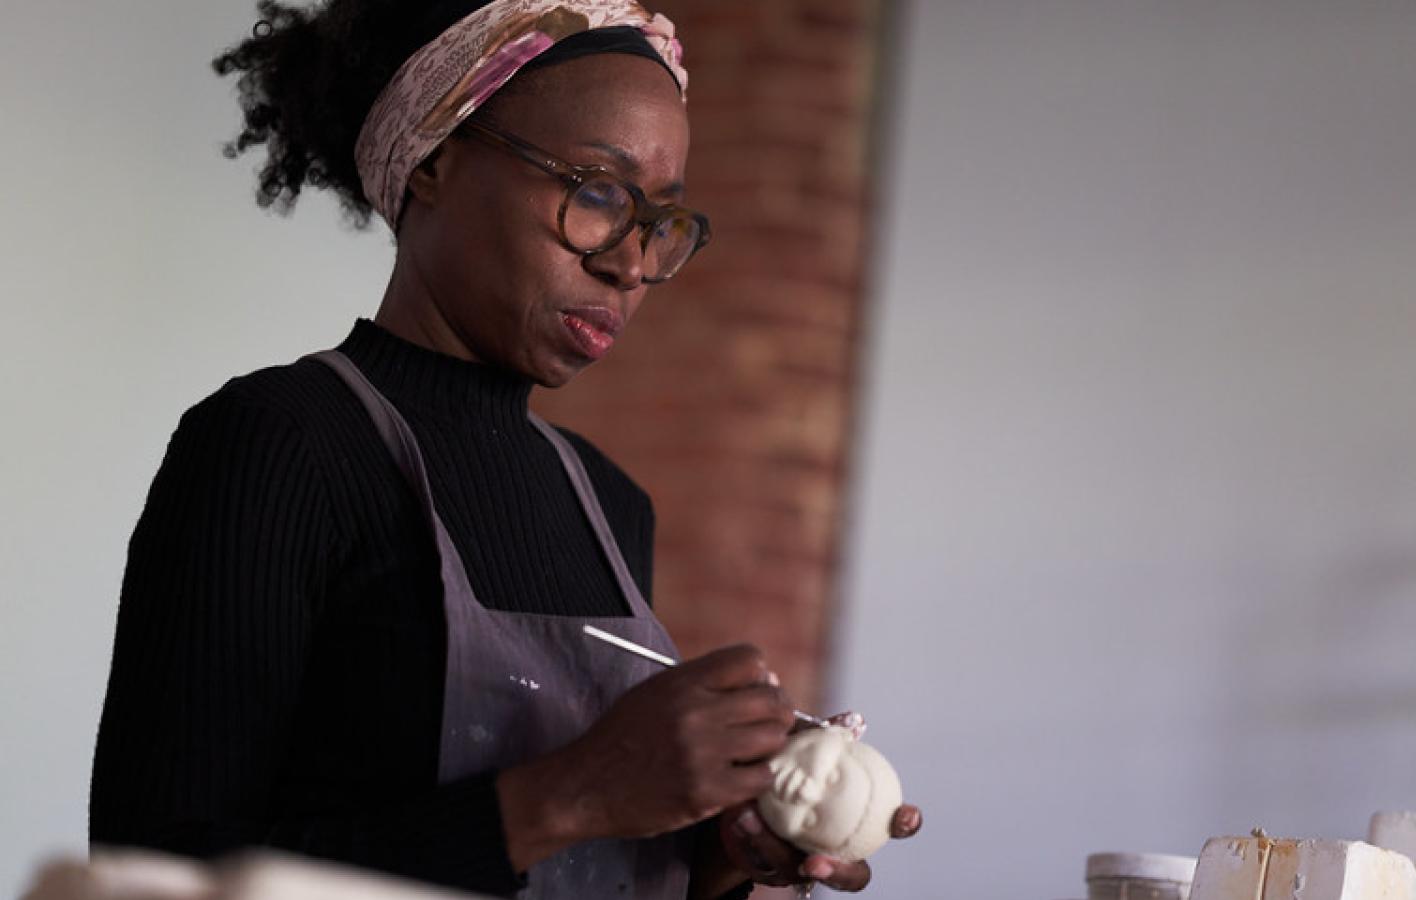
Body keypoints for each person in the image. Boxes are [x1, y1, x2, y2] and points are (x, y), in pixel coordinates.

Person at [88, 1, 921, 897]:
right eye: (597, 192)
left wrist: (717, 859)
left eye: (660, 222)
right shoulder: (280, 443)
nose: (630, 265)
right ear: (436, 160)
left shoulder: (609, 501)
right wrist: (576, 793)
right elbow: (151, 874)